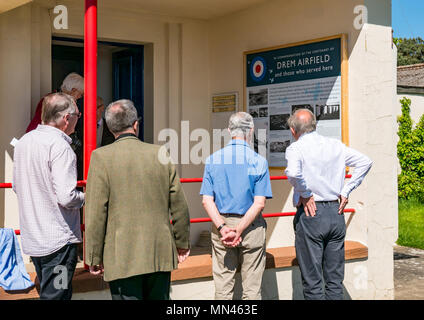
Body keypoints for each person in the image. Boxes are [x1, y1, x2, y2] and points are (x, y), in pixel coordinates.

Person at [85, 99, 190, 300]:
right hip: (159, 252)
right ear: (135, 124)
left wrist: (93, 256)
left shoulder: (101, 157)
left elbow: (95, 214)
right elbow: (179, 204)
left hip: (122, 257)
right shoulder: (160, 153)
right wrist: (182, 242)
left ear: (108, 127)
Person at [285, 108, 372, 300]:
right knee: (334, 281)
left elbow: (292, 173)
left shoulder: (296, 148)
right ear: (314, 125)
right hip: (336, 212)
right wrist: (346, 191)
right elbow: (365, 162)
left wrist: (306, 194)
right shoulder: (335, 145)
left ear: (293, 130)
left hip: (311, 213)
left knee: (313, 282)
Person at [13, 92, 85, 300]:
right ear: (66, 119)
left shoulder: (25, 142)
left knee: (52, 293)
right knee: (57, 295)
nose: (77, 121)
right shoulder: (61, 147)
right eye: (77, 116)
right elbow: (67, 196)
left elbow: (17, 186)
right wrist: (86, 196)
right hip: (58, 242)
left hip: (34, 238)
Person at [200, 112, 273, 300]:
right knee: (251, 290)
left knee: (223, 289)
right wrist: (239, 230)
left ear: (228, 131)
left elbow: (207, 200)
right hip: (251, 227)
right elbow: (259, 203)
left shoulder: (212, 160)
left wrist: (224, 228)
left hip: (221, 226)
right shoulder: (259, 161)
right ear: (251, 131)